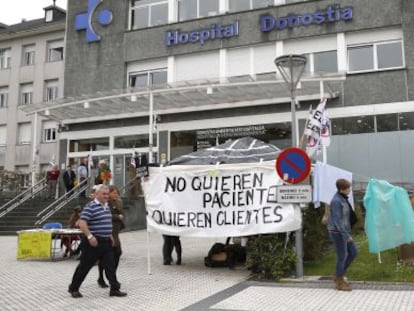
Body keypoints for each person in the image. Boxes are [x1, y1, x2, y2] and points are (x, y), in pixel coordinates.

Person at [68, 184, 127, 298]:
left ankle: (114, 289)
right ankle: (74, 288)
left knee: (110, 266)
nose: (106, 196)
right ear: (97, 194)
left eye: (107, 194)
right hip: (93, 243)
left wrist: (110, 235)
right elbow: (82, 223)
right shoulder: (91, 206)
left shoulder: (106, 206)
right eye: (103, 194)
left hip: (106, 242)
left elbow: (107, 222)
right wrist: (90, 237)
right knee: (84, 266)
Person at [327, 178, 357, 291]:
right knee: (342, 257)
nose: (349, 189)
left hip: (344, 231)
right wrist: (346, 236)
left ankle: (338, 275)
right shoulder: (336, 201)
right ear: (341, 189)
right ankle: (339, 282)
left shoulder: (343, 199)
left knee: (353, 253)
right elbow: (337, 221)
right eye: (348, 188)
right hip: (337, 232)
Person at [97, 186, 125, 288]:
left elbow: (123, 213)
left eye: (117, 193)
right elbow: (105, 215)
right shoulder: (106, 203)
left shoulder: (118, 202)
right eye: (114, 193)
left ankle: (112, 276)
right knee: (105, 257)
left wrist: (121, 215)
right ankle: (102, 277)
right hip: (107, 232)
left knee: (118, 253)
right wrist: (117, 216)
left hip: (116, 232)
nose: (116, 195)